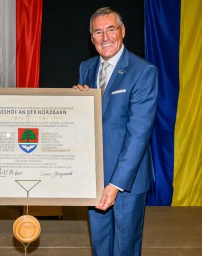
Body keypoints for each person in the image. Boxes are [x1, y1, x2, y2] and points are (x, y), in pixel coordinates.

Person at [74, 7, 158, 256]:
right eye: (98, 32)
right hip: (94, 176)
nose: (105, 37)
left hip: (127, 181)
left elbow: (139, 134)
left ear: (122, 31)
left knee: (125, 248)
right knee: (100, 246)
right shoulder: (86, 68)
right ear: (92, 39)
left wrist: (115, 184)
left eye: (111, 29)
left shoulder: (143, 71)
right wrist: (76, 104)